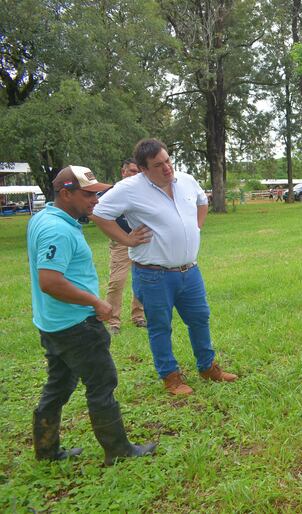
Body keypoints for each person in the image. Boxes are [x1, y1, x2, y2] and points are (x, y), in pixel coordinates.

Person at [27, 165, 156, 465]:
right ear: (65, 193)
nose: (95, 200)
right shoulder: (56, 228)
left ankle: (46, 452)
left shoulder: (43, 218)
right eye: (87, 194)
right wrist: (96, 303)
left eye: (97, 193)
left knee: (58, 386)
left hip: (52, 324)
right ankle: (119, 451)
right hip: (76, 325)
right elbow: (50, 281)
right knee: (102, 383)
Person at [91, 138, 238, 396]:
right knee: (160, 326)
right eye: (159, 165)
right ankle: (170, 377)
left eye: (168, 160)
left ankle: (208, 367)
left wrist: (196, 227)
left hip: (189, 270)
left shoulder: (186, 180)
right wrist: (125, 239)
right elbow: (99, 213)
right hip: (153, 274)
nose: (167, 168)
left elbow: (202, 201)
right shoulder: (129, 189)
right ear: (144, 169)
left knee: (200, 318)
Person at [104, 159, 146, 335]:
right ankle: (113, 321)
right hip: (121, 243)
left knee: (142, 280)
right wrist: (121, 237)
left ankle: (139, 316)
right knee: (117, 281)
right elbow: (101, 215)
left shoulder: (144, 192)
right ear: (123, 172)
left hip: (142, 241)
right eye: (132, 171)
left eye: (138, 172)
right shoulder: (114, 193)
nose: (135, 175)